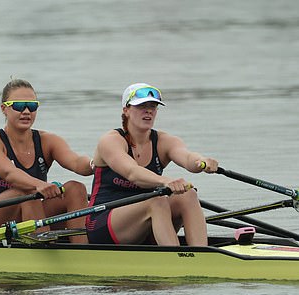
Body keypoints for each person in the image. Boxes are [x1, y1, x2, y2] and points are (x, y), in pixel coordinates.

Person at [86, 83, 218, 246]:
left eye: (153, 106)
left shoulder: (164, 141)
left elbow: (187, 157)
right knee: (157, 201)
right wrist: (165, 181)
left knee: (188, 195)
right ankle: (177, 260)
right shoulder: (110, 140)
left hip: (145, 222)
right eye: (141, 106)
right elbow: (132, 173)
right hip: (102, 223)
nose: (148, 110)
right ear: (126, 110)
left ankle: (200, 254)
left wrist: (201, 161)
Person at [0, 78, 92, 244]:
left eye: (32, 106)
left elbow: (77, 163)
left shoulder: (48, 140)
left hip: (30, 215)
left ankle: (82, 249)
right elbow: (9, 173)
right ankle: (43, 248)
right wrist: (38, 185)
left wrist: (97, 163)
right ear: (4, 109)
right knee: (25, 192)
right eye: (19, 106)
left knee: (75, 189)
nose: (26, 111)